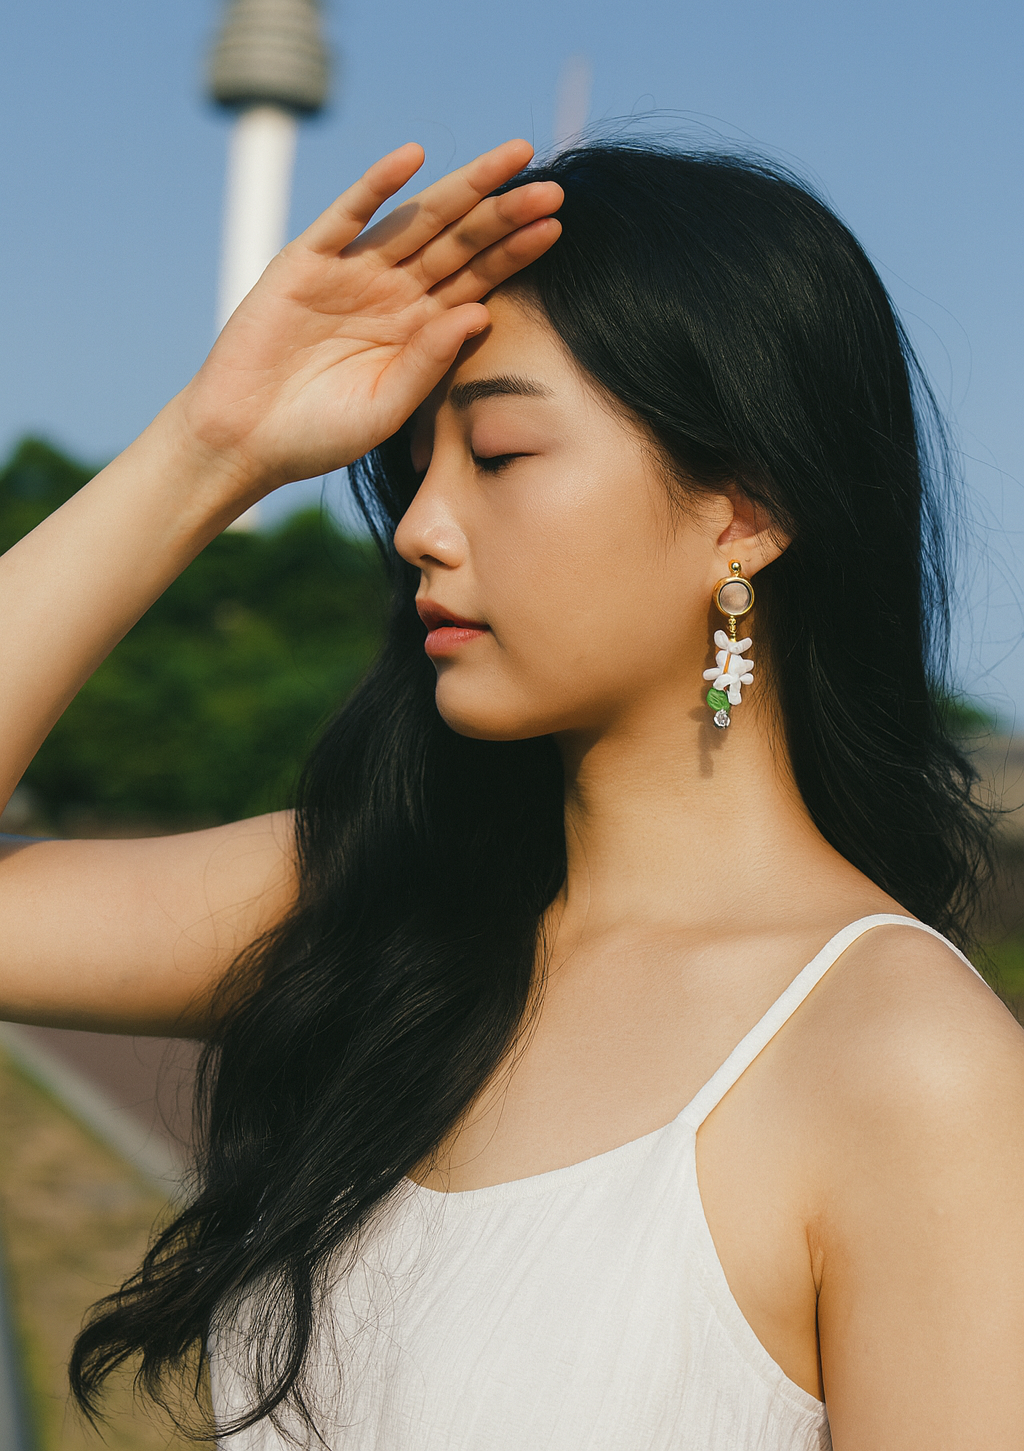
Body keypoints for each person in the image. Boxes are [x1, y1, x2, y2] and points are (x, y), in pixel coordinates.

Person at [0, 135, 1021, 1449]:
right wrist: (211, 447)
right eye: (414, 467)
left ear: (745, 512)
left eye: (496, 454)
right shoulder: (367, 905)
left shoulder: (909, 1068)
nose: (419, 526)